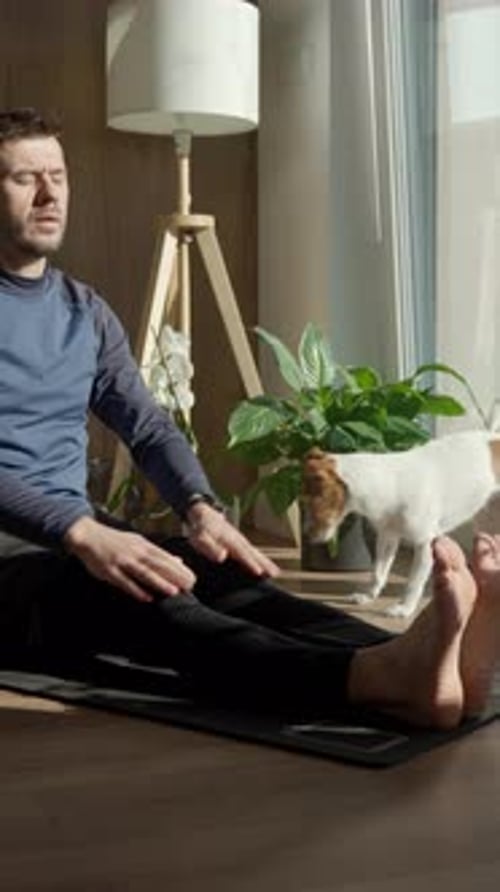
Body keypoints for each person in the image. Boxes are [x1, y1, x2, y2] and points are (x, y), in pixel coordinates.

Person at [0, 107, 498, 730]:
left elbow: (148, 425)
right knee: (158, 601)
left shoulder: (84, 311)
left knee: (227, 576)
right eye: (25, 178)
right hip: (14, 565)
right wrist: (81, 530)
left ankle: (432, 658)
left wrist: (201, 507)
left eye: (59, 175)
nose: (50, 195)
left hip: (76, 541)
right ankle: (373, 677)